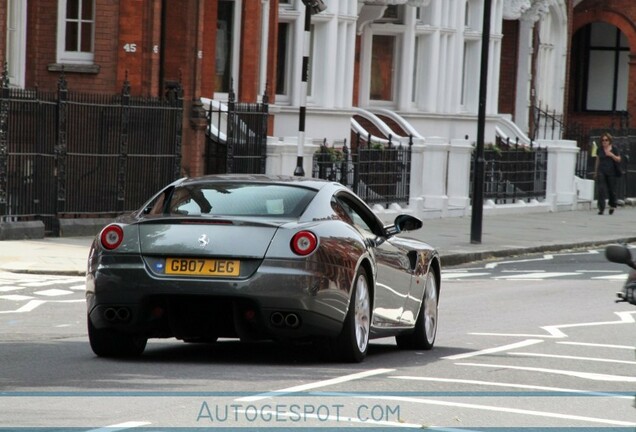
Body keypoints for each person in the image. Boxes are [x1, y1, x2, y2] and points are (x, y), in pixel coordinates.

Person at [594, 132, 622, 215]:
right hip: (601, 171)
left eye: (606, 140)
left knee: (611, 190)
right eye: (603, 140)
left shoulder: (614, 149)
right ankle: (601, 208)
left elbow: (619, 159)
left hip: (611, 172)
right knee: (601, 189)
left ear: (609, 141)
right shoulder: (599, 149)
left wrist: (611, 155)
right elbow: (597, 160)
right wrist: (595, 172)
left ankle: (612, 205)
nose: (604, 142)